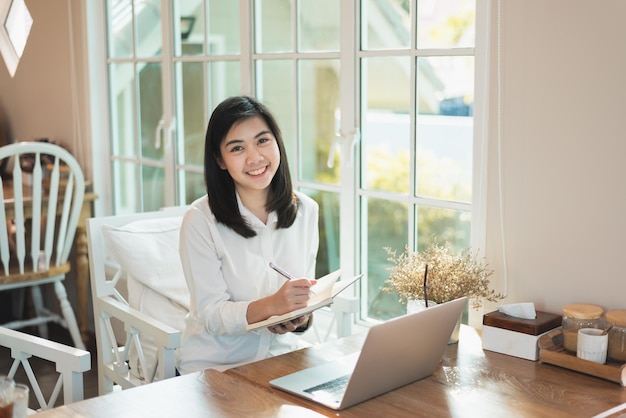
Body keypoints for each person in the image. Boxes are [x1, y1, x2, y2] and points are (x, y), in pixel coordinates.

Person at [176, 95, 319, 374]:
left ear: (277, 142)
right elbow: (212, 315)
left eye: (262, 140)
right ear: (219, 159)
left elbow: (305, 294)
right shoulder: (199, 221)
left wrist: (300, 317)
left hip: (284, 359)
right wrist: (271, 306)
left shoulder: (307, 210)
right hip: (216, 368)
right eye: (237, 148)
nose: (255, 158)